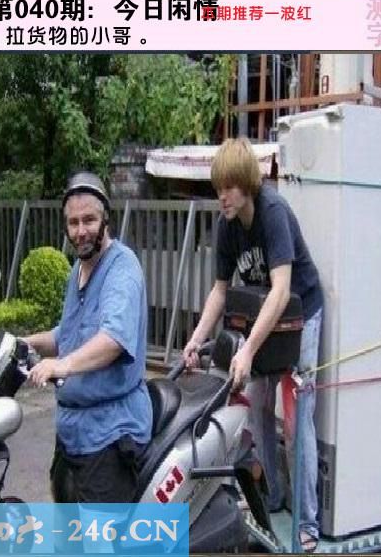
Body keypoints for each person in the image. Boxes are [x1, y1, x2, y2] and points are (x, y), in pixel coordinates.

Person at [182, 138, 323, 552]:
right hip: (268, 316)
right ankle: (274, 496)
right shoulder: (226, 225)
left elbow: (281, 290)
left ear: (246, 183)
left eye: (228, 187)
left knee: (296, 421)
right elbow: (220, 290)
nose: (221, 197)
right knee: (257, 407)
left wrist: (246, 350)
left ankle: (308, 521)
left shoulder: (272, 211)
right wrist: (195, 339)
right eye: (217, 188)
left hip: (301, 314)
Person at [25, 171, 152, 503]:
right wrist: (29, 342)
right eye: (73, 222)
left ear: (105, 219)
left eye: (89, 220)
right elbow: (71, 332)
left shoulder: (121, 269)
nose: (81, 231)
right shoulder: (78, 269)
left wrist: (61, 365)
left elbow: (113, 340)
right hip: (73, 432)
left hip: (109, 432)